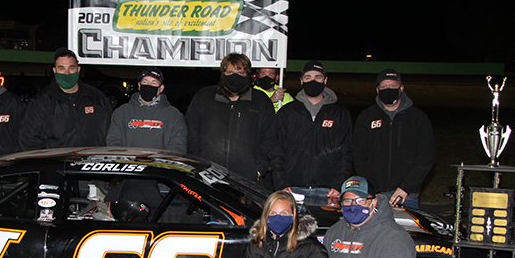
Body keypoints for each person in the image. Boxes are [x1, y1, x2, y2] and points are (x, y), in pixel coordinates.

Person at [185, 53, 277, 186]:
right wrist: (199, 164)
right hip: (208, 178)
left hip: (247, 181)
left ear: (249, 75)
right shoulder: (204, 97)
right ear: (223, 74)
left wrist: (258, 169)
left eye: (240, 73)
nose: (235, 77)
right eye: (230, 72)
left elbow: (270, 137)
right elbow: (191, 132)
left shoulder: (261, 101)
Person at [353, 69, 436, 209]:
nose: (388, 89)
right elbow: (359, 156)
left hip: (406, 196)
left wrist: (406, 187)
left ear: (401, 88)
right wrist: (374, 189)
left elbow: (427, 156)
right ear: (377, 90)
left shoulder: (417, 118)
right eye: (384, 86)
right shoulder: (366, 117)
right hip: (375, 196)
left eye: (392, 85)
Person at [274, 61, 353, 198]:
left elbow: (347, 152)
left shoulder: (339, 114)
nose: (313, 81)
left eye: (318, 77)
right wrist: (281, 184)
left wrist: (338, 184)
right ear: (301, 81)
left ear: (325, 80)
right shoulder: (288, 112)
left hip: (328, 191)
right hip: (292, 189)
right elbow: (276, 151)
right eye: (308, 77)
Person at [19, 48, 113, 150]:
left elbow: (110, 133)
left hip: (90, 163)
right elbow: (28, 140)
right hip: (57, 164)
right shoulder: (41, 102)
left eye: (71, 68)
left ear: (78, 70)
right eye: (62, 68)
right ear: (54, 71)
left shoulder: (97, 98)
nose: (67, 73)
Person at [106, 67, 186, 153]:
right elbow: (113, 142)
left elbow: (178, 147)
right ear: (139, 85)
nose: (148, 86)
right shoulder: (121, 112)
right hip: (130, 165)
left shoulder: (174, 115)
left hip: (159, 165)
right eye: (145, 82)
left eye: (154, 83)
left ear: (161, 88)